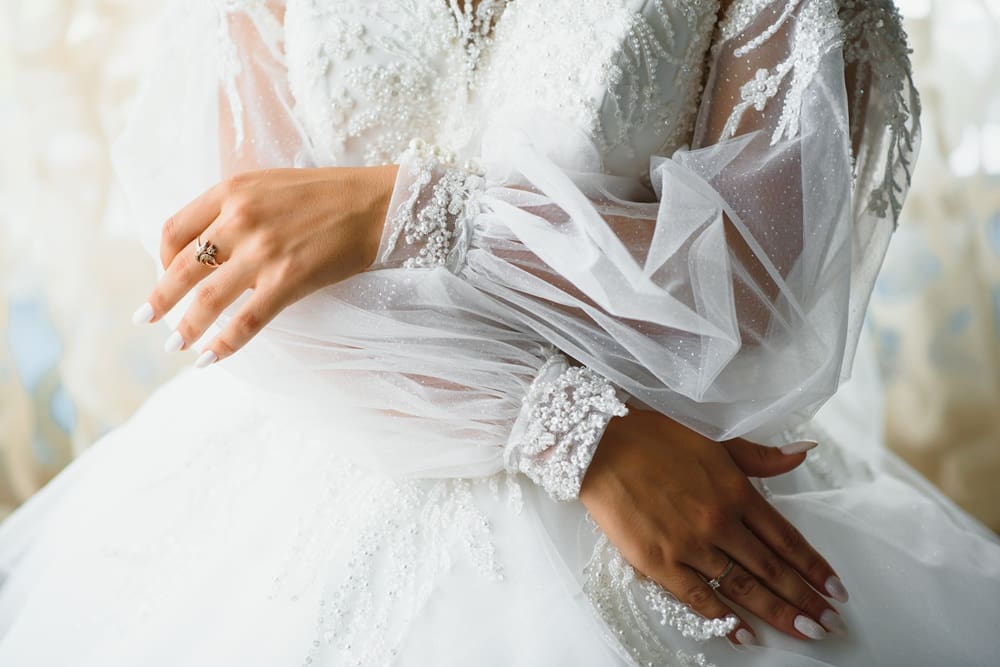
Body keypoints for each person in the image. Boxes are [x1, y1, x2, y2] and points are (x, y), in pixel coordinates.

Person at [1, 0, 998, 665]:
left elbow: (755, 295)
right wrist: (576, 430)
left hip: (672, 476)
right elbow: (236, 270)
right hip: (320, 454)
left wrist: (412, 210)